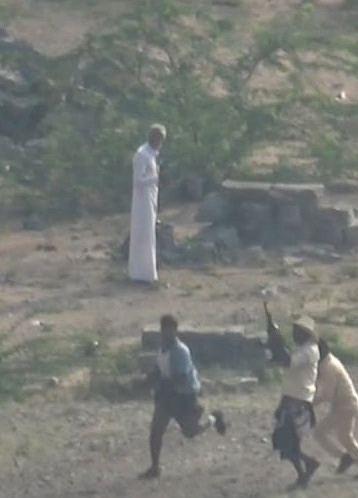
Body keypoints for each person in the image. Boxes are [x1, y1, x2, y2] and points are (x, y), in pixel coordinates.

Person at [139, 315, 227, 479]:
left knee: (191, 431)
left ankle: (213, 418)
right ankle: (155, 467)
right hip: (167, 396)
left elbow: (182, 378)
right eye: (164, 329)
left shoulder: (180, 351)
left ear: (175, 330)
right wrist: (147, 382)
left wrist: (159, 383)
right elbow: (159, 369)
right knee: (156, 431)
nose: (167, 333)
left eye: (169, 329)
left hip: (183, 396)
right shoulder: (163, 348)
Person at [312, 339, 358, 480]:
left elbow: (327, 394)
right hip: (346, 404)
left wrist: (311, 402)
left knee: (320, 432)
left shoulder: (328, 367)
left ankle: (346, 458)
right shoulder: (329, 362)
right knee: (346, 438)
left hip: (344, 406)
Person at [271, 316, 322, 489]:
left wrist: (277, 342)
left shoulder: (310, 351)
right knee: (284, 441)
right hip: (292, 399)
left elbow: (287, 361)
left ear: (305, 334)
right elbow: (283, 361)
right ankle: (307, 468)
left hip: (299, 402)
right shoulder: (302, 349)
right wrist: (275, 343)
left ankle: (305, 471)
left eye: (297, 332)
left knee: (287, 440)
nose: (294, 335)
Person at [128, 124, 165, 285]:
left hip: (150, 199)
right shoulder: (142, 155)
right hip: (142, 201)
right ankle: (140, 273)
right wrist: (156, 179)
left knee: (149, 235)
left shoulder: (151, 154)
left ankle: (148, 273)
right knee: (142, 234)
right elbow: (137, 180)